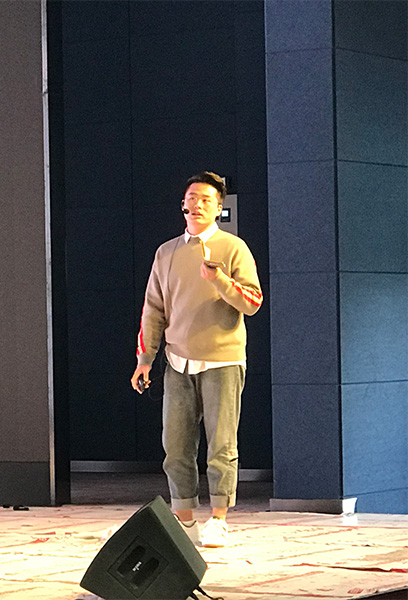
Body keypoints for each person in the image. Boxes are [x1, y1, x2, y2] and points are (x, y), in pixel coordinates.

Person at [130, 171, 262, 548]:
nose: (198, 205)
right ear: (183, 205)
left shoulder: (233, 248)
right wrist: (145, 358)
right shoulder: (166, 252)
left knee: (221, 446)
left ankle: (219, 518)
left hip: (223, 360)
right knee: (175, 447)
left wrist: (219, 280)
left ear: (219, 208)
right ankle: (184, 519)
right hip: (177, 361)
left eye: (207, 200)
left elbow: (252, 302)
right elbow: (153, 308)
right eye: (192, 198)